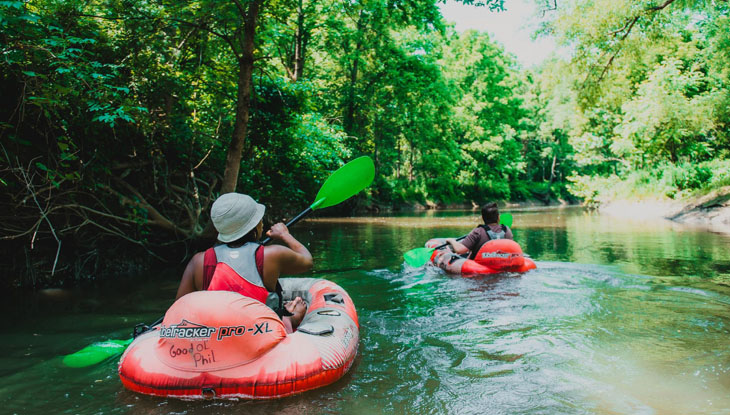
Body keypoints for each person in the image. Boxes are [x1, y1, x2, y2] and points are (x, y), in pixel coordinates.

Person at [175, 192, 313, 333]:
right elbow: (307, 261)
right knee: (293, 311)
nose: (262, 222)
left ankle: (288, 317)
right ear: (254, 226)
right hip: (262, 336)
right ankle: (289, 318)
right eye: (259, 219)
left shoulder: (199, 260)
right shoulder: (272, 254)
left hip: (217, 338)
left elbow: (179, 309)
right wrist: (285, 235)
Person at [444, 202, 513, 260]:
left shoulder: (478, 231)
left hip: (481, 269)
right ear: (498, 217)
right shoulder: (507, 230)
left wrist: (451, 241)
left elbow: (460, 250)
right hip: (502, 265)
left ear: (483, 218)